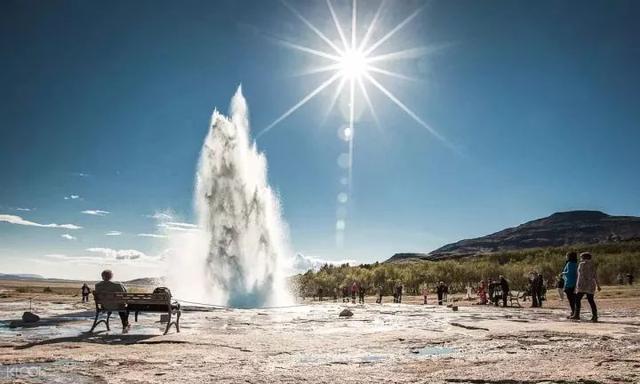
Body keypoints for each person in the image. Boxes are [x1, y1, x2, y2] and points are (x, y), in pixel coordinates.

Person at [572, 252, 601, 322]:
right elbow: (595, 276)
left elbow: (580, 276)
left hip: (582, 285)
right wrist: (598, 285)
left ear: (584, 257)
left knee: (577, 299)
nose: (580, 258)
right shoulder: (593, 265)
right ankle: (595, 316)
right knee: (591, 300)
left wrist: (576, 286)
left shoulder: (581, 264)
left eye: (581, 257)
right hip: (591, 284)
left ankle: (576, 314)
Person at [561, 252, 578, 318]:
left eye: (567, 256)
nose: (566, 257)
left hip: (569, 283)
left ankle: (574, 312)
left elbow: (569, 273)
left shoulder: (569, 264)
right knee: (574, 299)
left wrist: (563, 273)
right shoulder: (575, 264)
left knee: (571, 299)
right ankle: (574, 312)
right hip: (575, 283)